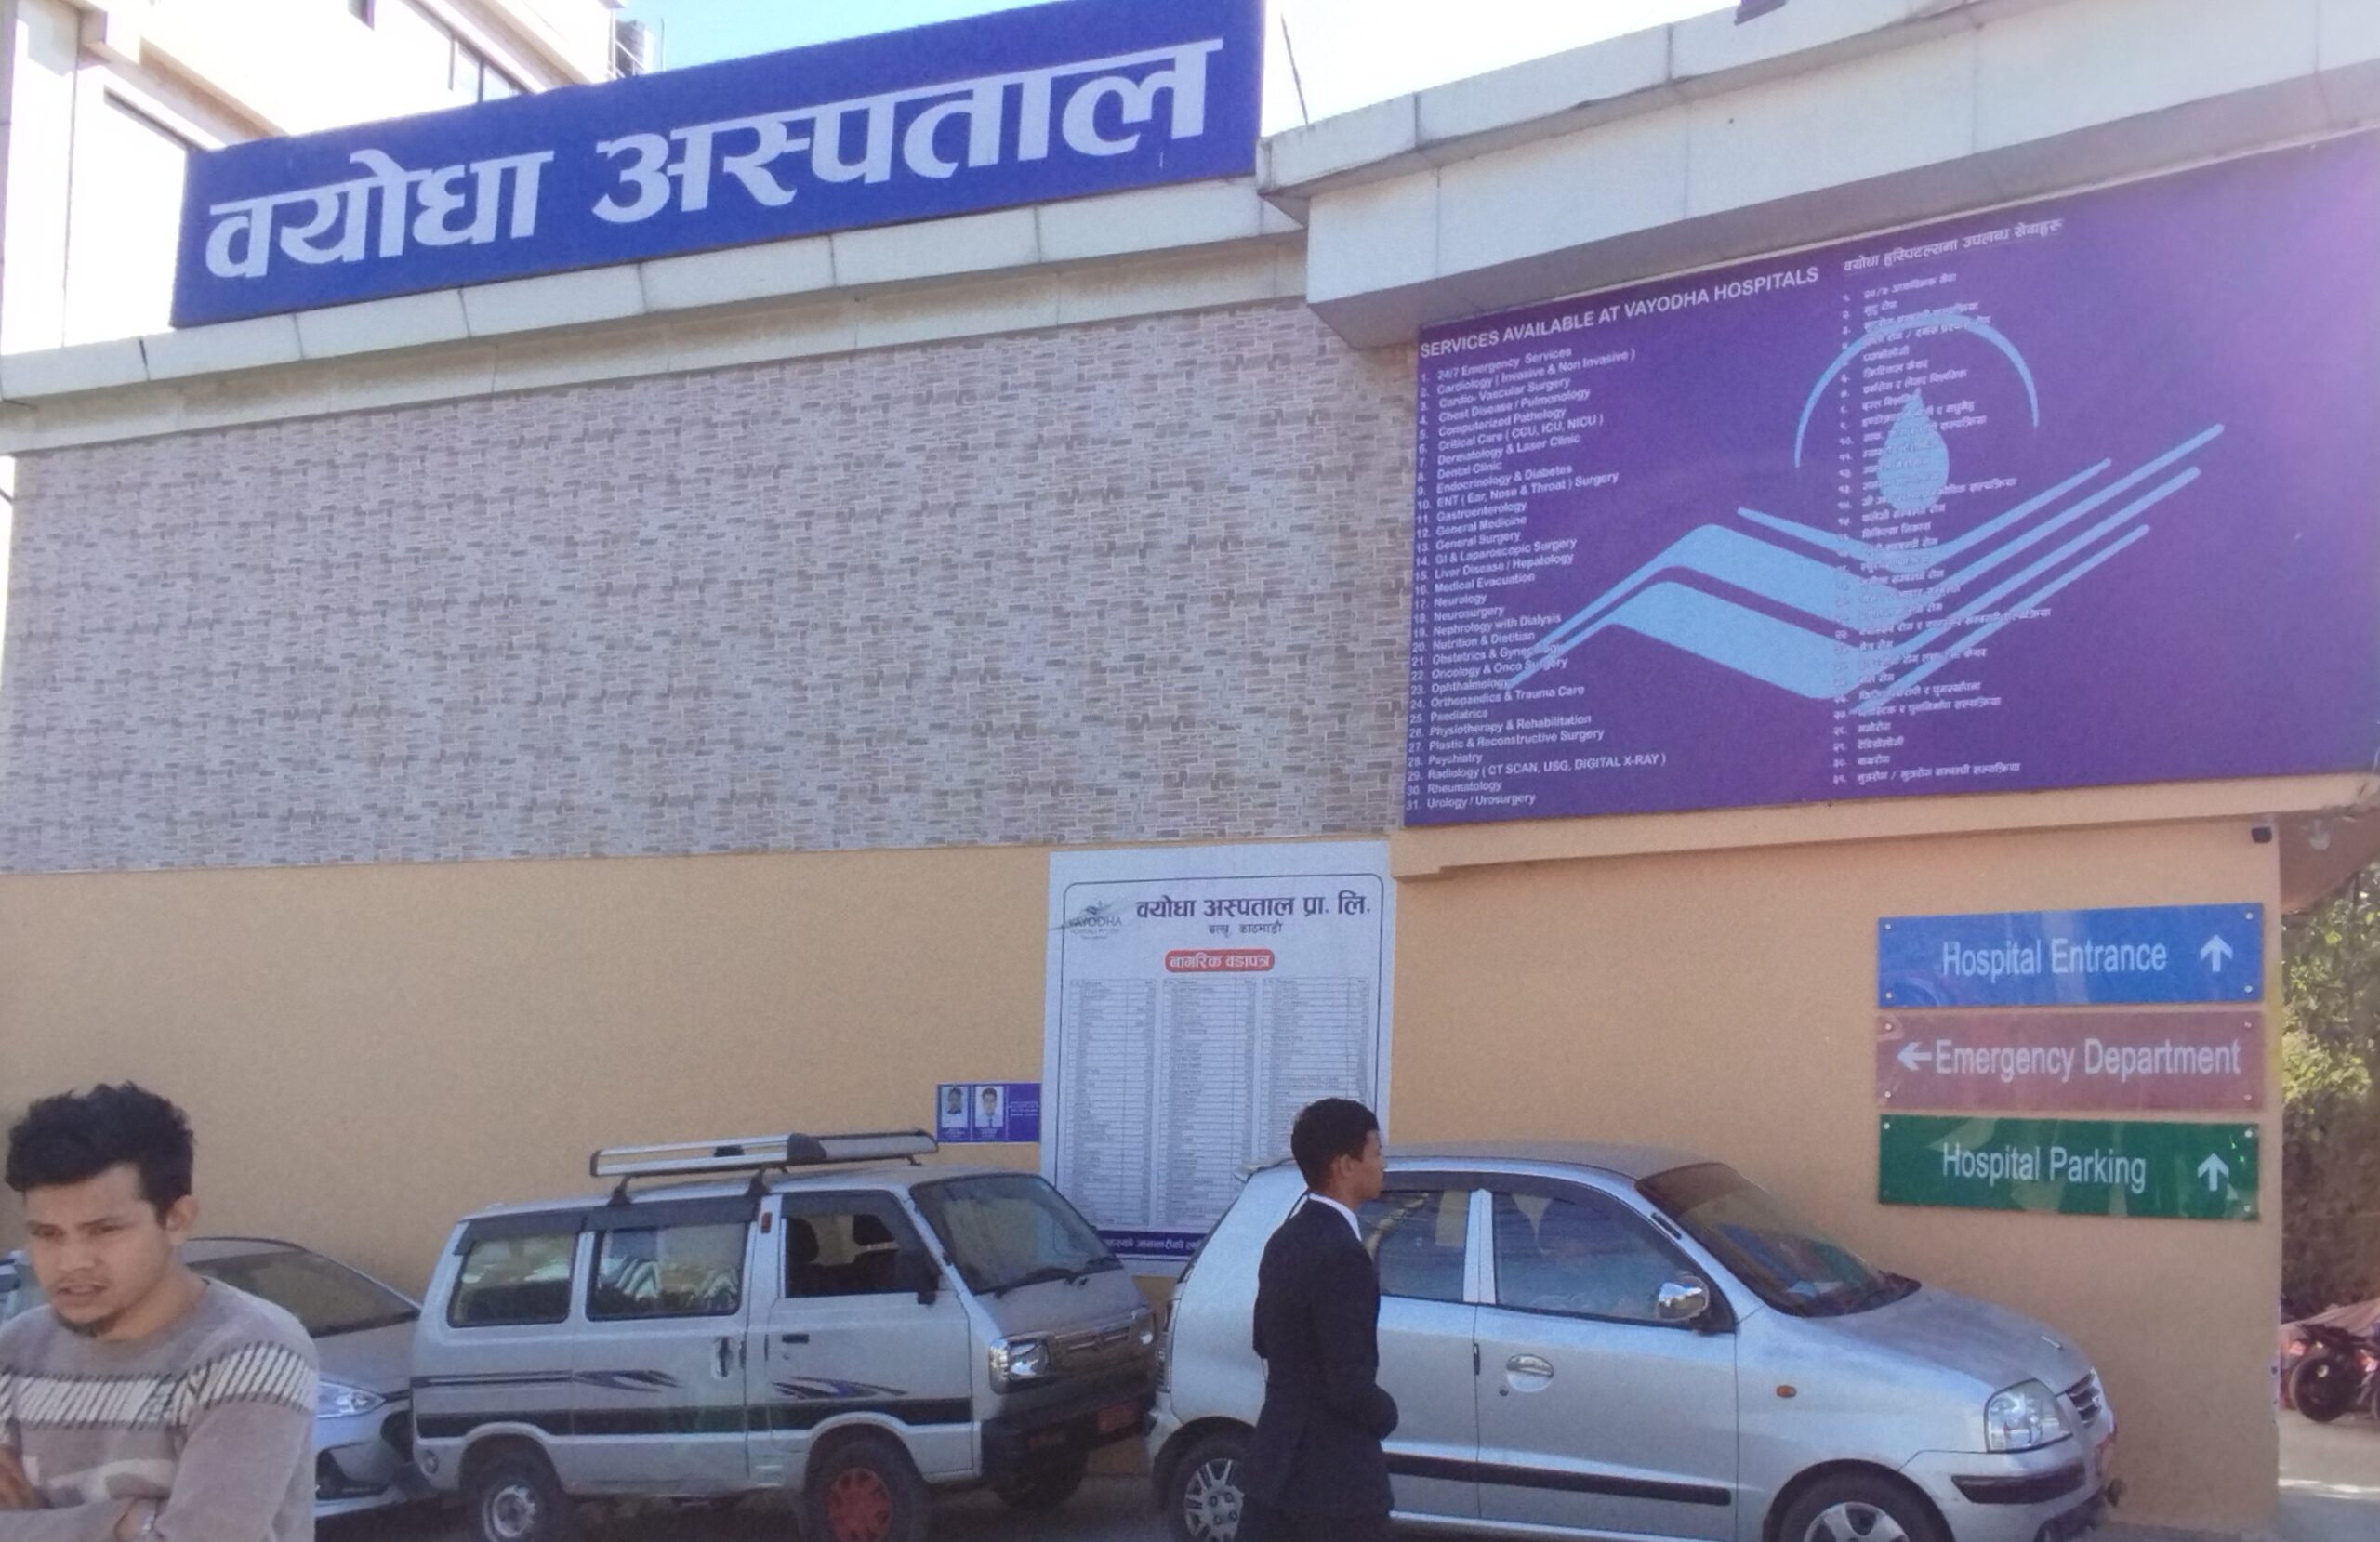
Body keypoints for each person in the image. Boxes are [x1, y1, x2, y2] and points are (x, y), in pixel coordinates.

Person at [0, 1085, 318, 1542]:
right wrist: (125, 1522)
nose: (72, 1262)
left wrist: (26, 1527)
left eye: (104, 1230)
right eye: (47, 1234)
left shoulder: (249, 1351)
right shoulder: (15, 1352)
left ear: (177, 1220)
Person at [1242, 1098, 1398, 1542]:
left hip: (1274, 1468)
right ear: (1344, 1165)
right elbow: (1348, 1383)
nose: (1383, 1164)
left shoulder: (1285, 1238)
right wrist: (1386, 1413)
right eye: (1376, 1152)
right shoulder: (1344, 1255)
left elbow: (1263, 1339)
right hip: (1334, 1484)